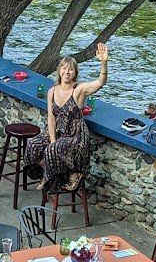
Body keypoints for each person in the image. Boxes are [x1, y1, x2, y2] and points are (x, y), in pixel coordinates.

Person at [25, 44, 108, 194]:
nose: (67, 72)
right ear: (59, 70)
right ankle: (48, 173)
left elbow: (100, 82)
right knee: (33, 145)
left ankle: (67, 176)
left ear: (75, 72)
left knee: (53, 150)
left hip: (76, 135)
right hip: (58, 132)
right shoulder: (52, 91)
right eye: (64, 68)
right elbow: (51, 118)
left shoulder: (79, 90)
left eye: (70, 69)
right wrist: (53, 139)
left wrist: (103, 63)